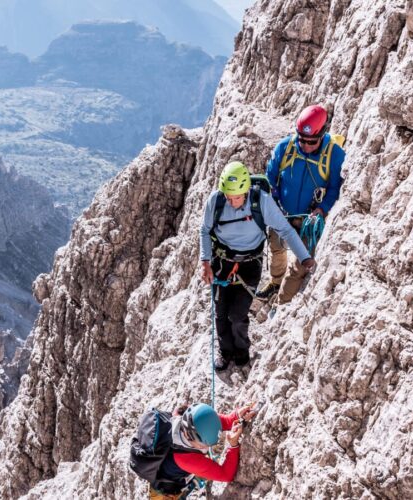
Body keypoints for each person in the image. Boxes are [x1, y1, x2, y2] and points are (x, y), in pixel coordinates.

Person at [199, 161, 314, 371]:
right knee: (221, 312)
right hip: (222, 262)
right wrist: (205, 262)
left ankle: (242, 352)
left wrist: (305, 258)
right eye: (228, 197)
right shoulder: (216, 201)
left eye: (236, 197)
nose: (232, 202)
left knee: (238, 314)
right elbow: (205, 231)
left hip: (250, 264)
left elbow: (286, 230)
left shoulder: (261, 202)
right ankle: (225, 353)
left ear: (245, 191)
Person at [255, 104, 345, 304]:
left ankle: (281, 303)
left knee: (299, 265)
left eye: (311, 141)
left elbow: (334, 189)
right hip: (283, 213)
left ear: (322, 134)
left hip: (309, 221)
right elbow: (270, 176)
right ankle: (276, 282)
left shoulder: (335, 156)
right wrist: (273, 197)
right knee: (276, 247)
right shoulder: (285, 147)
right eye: (302, 139)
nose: (304, 145)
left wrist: (322, 209)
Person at [139, 403, 259, 500]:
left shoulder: (190, 417)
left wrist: (236, 416)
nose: (207, 446)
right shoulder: (186, 459)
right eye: (204, 443)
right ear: (190, 436)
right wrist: (233, 445)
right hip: (164, 493)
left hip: (169, 473)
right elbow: (225, 475)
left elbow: (211, 423)